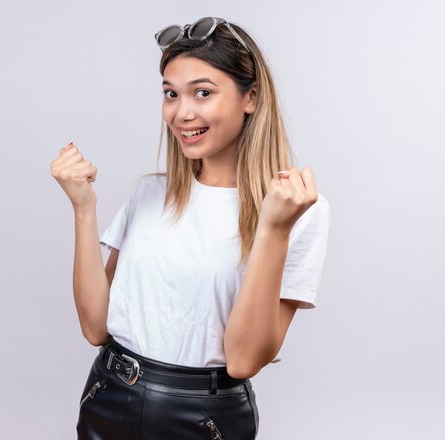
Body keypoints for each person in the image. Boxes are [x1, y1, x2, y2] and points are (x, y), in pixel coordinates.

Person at [51, 16, 331, 440]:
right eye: (171, 94)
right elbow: (95, 327)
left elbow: (242, 360)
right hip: (108, 396)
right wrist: (83, 208)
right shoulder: (147, 194)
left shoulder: (298, 210)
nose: (182, 113)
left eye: (202, 92)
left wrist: (273, 228)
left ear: (250, 97)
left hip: (205, 419)